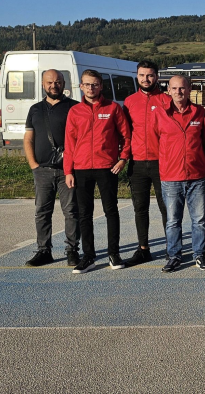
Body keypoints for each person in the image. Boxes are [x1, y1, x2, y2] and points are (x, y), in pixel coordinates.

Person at [64, 69, 131, 273]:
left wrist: (122, 159)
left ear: (101, 86)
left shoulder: (113, 108)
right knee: (84, 213)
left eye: (94, 84)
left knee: (111, 211)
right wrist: (68, 171)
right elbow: (70, 143)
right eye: (87, 84)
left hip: (107, 168)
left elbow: (126, 137)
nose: (91, 88)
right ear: (81, 86)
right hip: (82, 168)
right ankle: (89, 256)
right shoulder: (75, 111)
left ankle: (113, 253)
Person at [23, 69, 80, 267]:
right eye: (49, 82)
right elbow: (29, 138)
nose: (53, 85)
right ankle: (44, 250)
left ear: (64, 84)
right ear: (42, 84)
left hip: (68, 171)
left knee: (71, 212)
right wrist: (34, 165)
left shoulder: (75, 108)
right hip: (42, 171)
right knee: (42, 212)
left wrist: (72, 167)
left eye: (57, 82)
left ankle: (72, 250)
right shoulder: (35, 109)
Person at [155, 75, 205, 272]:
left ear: (189, 89)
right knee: (172, 221)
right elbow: (155, 142)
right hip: (171, 177)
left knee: (200, 220)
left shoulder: (199, 112)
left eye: (182, 88)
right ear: (168, 90)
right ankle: (174, 255)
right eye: (174, 88)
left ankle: (199, 254)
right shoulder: (160, 114)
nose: (179, 92)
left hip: (197, 176)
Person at [123, 60, 171, 266]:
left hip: (163, 163)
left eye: (150, 75)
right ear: (137, 76)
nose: (146, 79)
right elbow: (124, 134)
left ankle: (173, 247)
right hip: (138, 163)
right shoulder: (129, 102)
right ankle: (143, 249)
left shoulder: (167, 100)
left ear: (157, 77)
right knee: (140, 208)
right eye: (142, 75)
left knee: (166, 208)